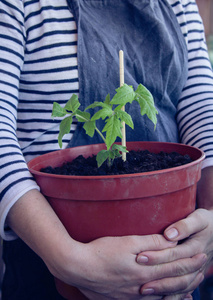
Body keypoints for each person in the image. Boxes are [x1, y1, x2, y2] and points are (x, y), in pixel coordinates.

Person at [0, 0, 213, 299]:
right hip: (46, 262)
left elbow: (202, 109)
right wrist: (70, 260)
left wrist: (211, 218)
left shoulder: (178, 3)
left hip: (174, 262)